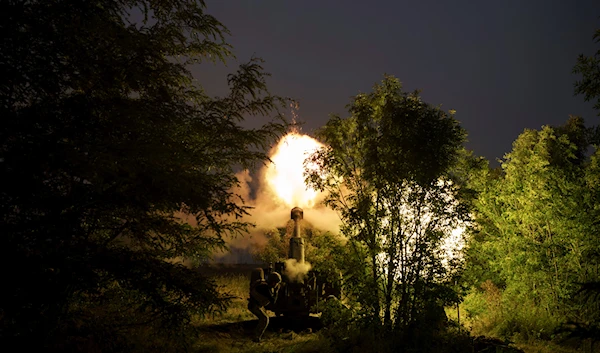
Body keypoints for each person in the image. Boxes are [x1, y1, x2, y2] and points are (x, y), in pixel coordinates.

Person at [248, 272, 282, 342]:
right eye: (276, 283)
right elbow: (273, 301)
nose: (276, 285)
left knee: (264, 318)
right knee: (264, 319)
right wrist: (276, 291)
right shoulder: (266, 288)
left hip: (255, 305)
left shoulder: (264, 285)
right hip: (254, 306)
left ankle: (256, 336)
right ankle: (256, 337)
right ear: (273, 282)